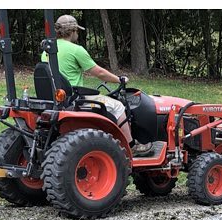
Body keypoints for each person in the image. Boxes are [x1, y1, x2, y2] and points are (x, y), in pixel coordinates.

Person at [43, 15, 156, 157]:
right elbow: (99, 73)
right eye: (77, 31)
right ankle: (131, 146)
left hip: (55, 97)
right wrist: (119, 79)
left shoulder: (48, 50)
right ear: (72, 31)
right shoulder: (76, 50)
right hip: (73, 97)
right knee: (118, 106)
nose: (77, 33)